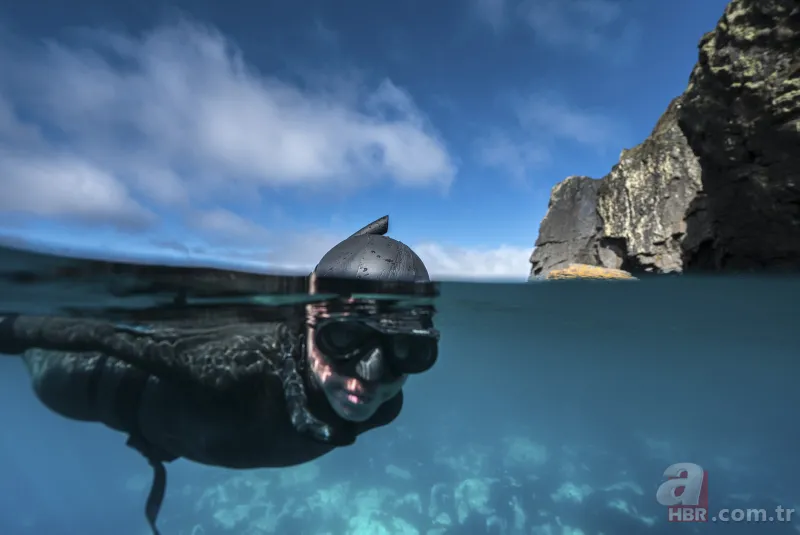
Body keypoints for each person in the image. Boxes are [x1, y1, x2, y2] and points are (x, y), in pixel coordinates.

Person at [0, 216, 440, 535]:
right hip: (84, 383)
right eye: (344, 338)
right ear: (310, 328)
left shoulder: (385, 405)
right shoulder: (234, 372)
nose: (370, 376)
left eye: (407, 350)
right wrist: (10, 330)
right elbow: (103, 336)